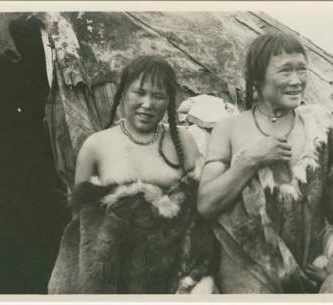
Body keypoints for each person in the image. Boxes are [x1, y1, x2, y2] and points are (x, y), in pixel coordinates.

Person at [197, 33, 333, 293]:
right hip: (247, 275)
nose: (297, 81)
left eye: (301, 70)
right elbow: (206, 204)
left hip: (308, 273)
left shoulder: (320, 129)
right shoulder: (229, 129)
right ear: (257, 79)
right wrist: (251, 160)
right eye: (285, 71)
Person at [48, 55, 218, 294]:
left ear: (169, 101)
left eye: (158, 96)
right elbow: (84, 224)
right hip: (114, 279)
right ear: (123, 93)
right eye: (139, 92)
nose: (148, 104)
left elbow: (199, 215)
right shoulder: (96, 146)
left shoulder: (184, 142)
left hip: (172, 278)